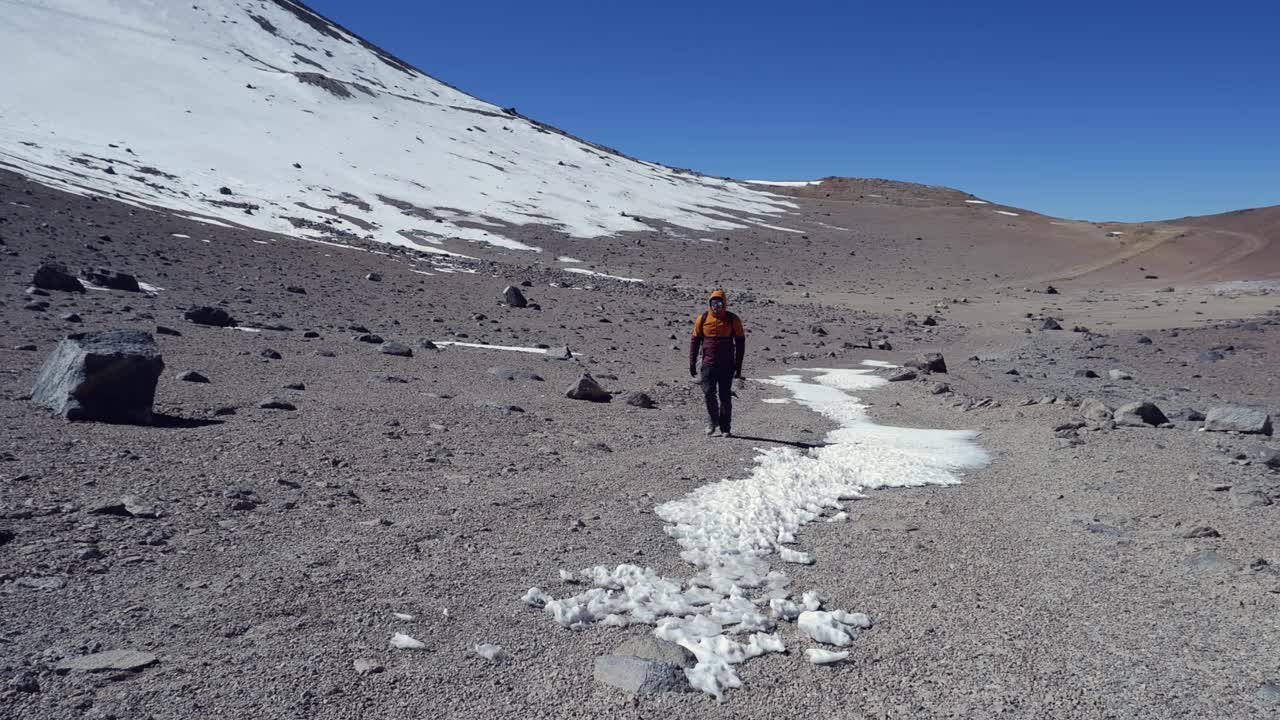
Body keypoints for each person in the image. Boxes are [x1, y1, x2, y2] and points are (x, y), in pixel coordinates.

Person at [689, 289, 746, 436]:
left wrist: (738, 367)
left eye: (719, 303)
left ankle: (725, 428)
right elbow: (695, 341)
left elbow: (740, 343)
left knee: (725, 396)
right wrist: (692, 362)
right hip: (708, 364)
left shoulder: (732, 319)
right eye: (713, 303)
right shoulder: (702, 319)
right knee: (708, 393)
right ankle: (712, 421)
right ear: (710, 303)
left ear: (724, 304)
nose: (716, 306)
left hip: (727, 365)